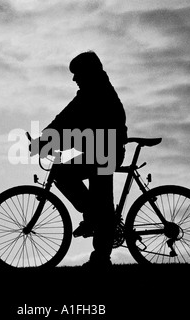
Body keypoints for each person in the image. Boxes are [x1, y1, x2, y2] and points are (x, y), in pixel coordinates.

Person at [32, 51, 127, 268]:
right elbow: (67, 120)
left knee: (97, 201)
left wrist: (45, 140)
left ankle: (101, 251)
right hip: (100, 151)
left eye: (76, 73)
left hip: (105, 152)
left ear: (87, 72)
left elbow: (69, 119)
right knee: (76, 183)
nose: (74, 79)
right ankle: (94, 218)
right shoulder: (94, 90)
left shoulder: (95, 92)